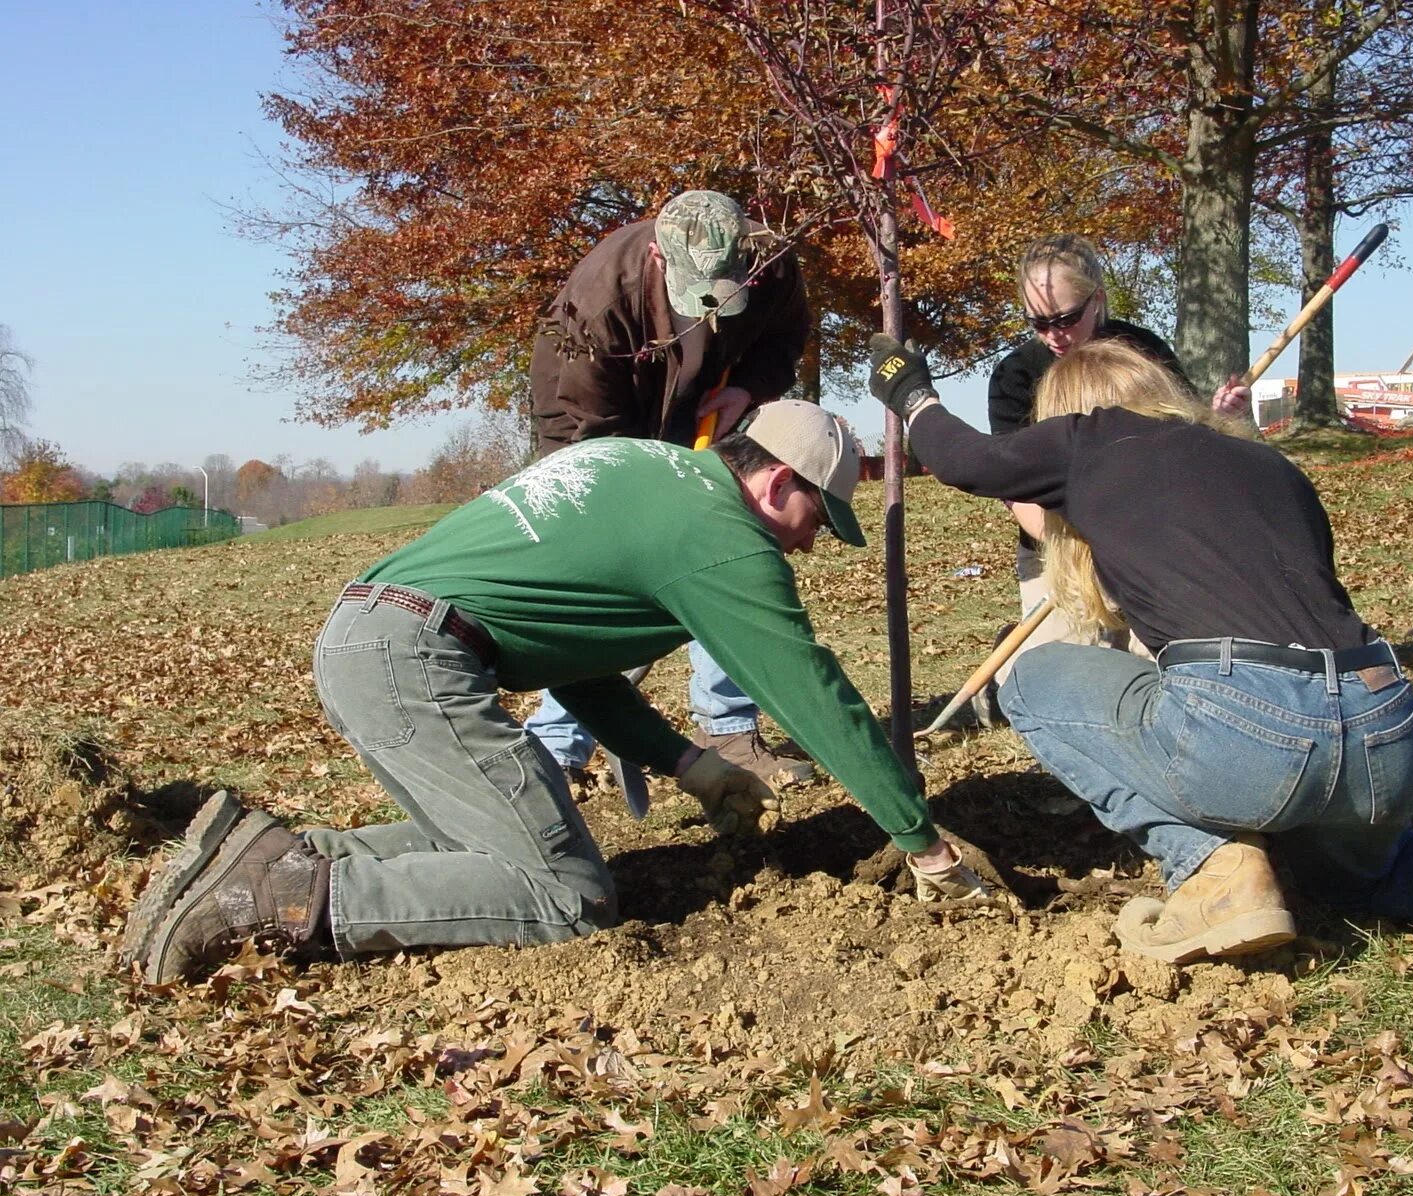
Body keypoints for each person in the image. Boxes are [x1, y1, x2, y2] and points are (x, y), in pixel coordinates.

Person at [121, 401, 990, 985]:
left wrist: (687, 763)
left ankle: (277, 851)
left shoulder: (645, 468)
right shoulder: (725, 537)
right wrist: (921, 840)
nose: (808, 546)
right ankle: (267, 899)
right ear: (776, 484)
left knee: (468, 841)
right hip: (416, 659)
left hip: (371, 635)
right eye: (816, 521)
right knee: (566, 896)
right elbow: (813, 693)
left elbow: (571, 660)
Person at [865, 333, 1413, 964]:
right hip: (1385, 729)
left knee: (1032, 679)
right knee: (1369, 877)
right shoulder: (1271, 466)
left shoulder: (1090, 436)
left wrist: (913, 395)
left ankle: (1217, 870)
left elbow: (966, 460)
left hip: (1251, 728)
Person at [525, 189, 813, 787]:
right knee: (605, 577)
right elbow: (592, 422)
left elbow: (785, 339)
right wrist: (644, 505)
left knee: (727, 550)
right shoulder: (600, 298)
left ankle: (727, 729)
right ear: (658, 256)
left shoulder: (769, 262)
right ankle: (556, 747)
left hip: (710, 415)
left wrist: (748, 390)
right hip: (592, 431)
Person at [977, 236, 1252, 727]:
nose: (1054, 334)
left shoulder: (1142, 352)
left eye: (1065, 318)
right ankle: (1011, 664)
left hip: (1150, 537)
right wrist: (1087, 551)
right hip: (1058, 539)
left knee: (1164, 663)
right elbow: (1016, 490)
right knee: (1066, 675)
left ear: (1097, 299)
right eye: (1039, 322)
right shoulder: (1017, 375)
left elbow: (1182, 440)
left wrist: (1219, 420)